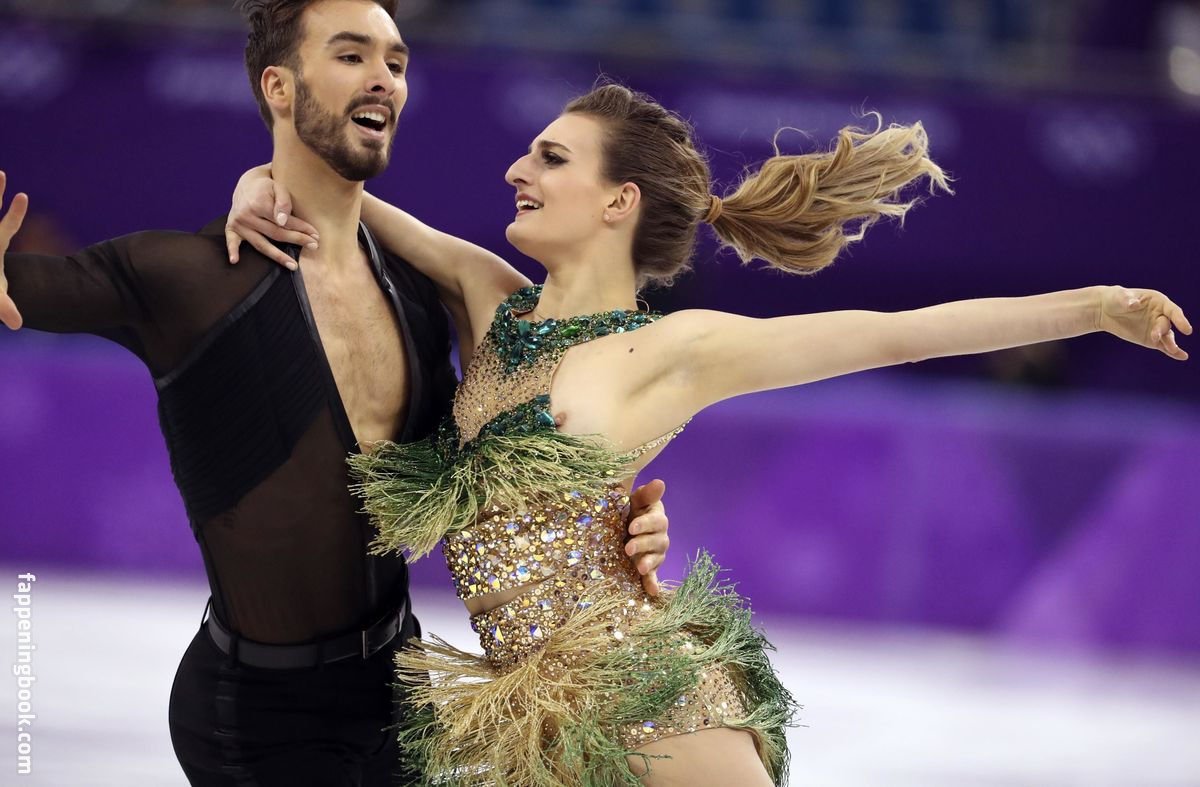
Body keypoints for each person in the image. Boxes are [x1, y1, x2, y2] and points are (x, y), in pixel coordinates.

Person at [227, 83, 1189, 786]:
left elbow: (900, 333)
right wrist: (250, 184)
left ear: (620, 201)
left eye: (552, 158)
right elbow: (326, 198)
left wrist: (1096, 305)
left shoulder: (676, 349)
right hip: (533, 715)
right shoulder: (489, 299)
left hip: (644, 696)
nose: (517, 170)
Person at [0, 1, 673, 783]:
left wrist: (616, 518)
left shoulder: (423, 294)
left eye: (396, 61)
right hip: (256, 716)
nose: (383, 78)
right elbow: (26, 285)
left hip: (401, 690)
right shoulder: (185, 278)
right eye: (352, 56)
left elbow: (526, 445)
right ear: (279, 88)